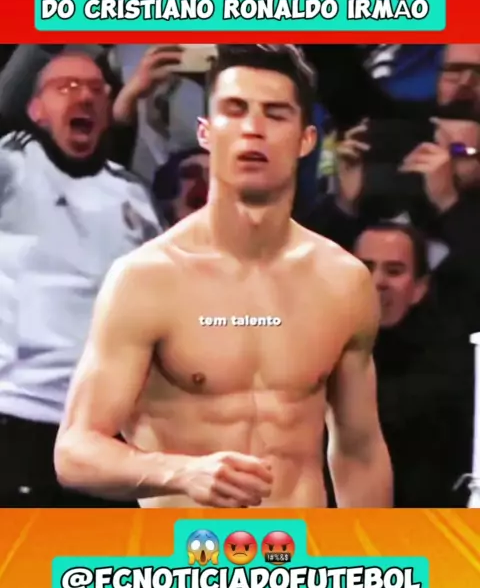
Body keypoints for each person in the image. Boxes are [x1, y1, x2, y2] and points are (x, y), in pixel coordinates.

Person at [55, 44, 392, 509]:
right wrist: (181, 472)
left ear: (306, 139)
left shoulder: (343, 281)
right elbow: (75, 450)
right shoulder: (146, 279)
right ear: (206, 132)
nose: (253, 128)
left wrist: (369, 548)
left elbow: (359, 451)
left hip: (301, 548)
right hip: (185, 550)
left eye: (275, 114)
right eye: (235, 110)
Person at [0, 52, 162, 507]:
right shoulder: (13, 165)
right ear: (35, 109)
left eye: (95, 89)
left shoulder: (135, 195)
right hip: (20, 417)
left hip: (109, 433)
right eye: (66, 87)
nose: (84, 97)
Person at [355, 223, 473, 507]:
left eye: (394, 271)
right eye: (365, 268)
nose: (378, 281)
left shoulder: (452, 364)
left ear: (420, 288)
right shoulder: (320, 350)